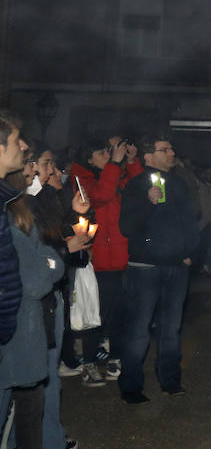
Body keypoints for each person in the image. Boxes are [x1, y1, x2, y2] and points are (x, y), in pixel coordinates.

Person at [0, 111, 83, 449]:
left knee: (30, 395)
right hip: (15, 323)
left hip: (24, 322)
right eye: (27, 153)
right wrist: (54, 260)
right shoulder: (11, 208)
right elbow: (35, 274)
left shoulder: (18, 203)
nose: (33, 162)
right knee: (11, 404)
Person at [116, 134, 199, 404]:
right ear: (148, 157)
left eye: (172, 148)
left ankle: (170, 380)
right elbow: (127, 228)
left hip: (175, 267)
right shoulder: (136, 186)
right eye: (165, 149)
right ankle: (130, 386)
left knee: (170, 328)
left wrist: (188, 251)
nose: (172, 153)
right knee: (139, 329)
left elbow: (190, 220)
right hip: (145, 269)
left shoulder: (179, 183)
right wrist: (147, 204)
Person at [69, 135, 143, 380]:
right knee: (96, 315)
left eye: (109, 151)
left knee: (120, 314)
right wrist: (115, 165)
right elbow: (101, 195)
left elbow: (140, 190)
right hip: (99, 257)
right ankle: (89, 362)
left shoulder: (114, 173)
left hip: (122, 254)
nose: (109, 155)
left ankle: (115, 358)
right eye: (103, 152)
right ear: (89, 159)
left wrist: (131, 162)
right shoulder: (82, 180)